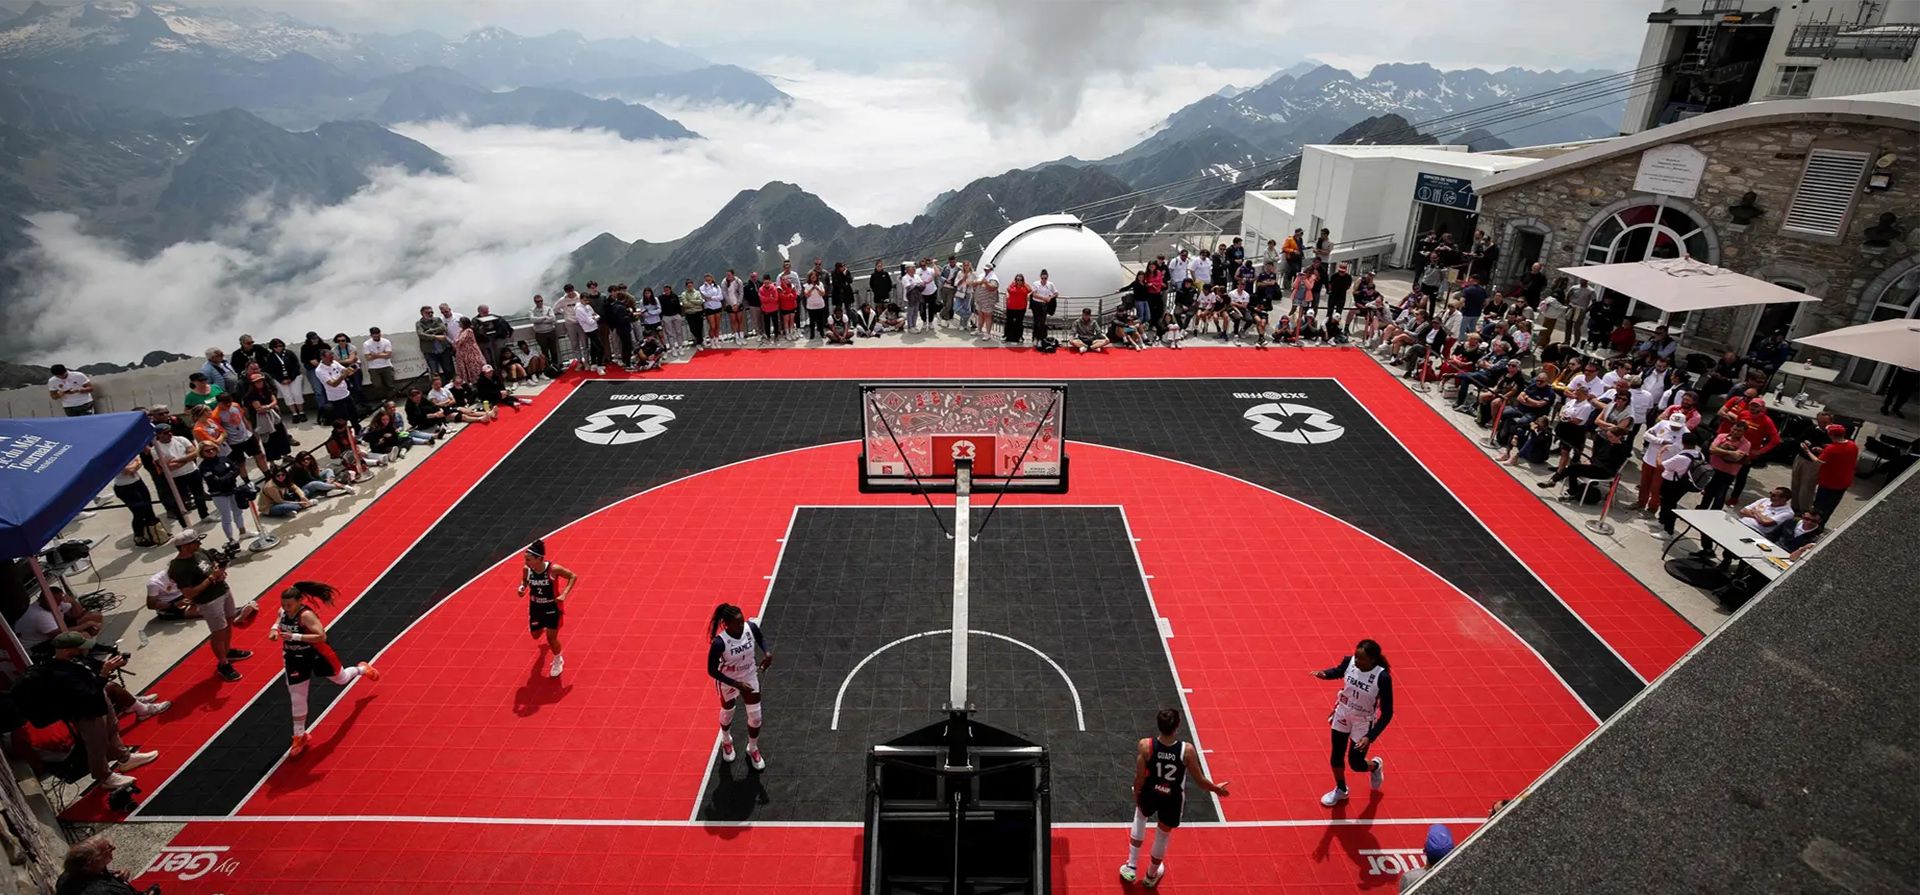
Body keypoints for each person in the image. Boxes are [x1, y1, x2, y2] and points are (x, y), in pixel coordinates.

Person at [1118, 707, 1230, 887]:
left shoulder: (1146, 745)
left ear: (1158, 725)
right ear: (1177, 726)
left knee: (1140, 817)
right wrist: (1217, 789)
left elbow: (1139, 777)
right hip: (1172, 798)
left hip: (1150, 791)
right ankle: (1151, 876)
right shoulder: (1187, 751)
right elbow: (1200, 781)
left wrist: (1136, 791)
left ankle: (1131, 866)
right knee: (1162, 835)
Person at [268, 582, 381, 757]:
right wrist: (274, 629)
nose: (286, 608)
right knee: (297, 697)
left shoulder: (306, 616)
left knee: (341, 679)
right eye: (283, 604)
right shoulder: (283, 611)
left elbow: (321, 636)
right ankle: (299, 736)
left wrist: (295, 636)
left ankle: (361, 669)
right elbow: (278, 620)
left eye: (289, 605)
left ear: (299, 602)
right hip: (294, 659)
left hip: (317, 655)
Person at [42, 633, 159, 791]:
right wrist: (104, 673)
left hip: (99, 701)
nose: (85, 650)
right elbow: (87, 693)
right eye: (80, 647)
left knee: (112, 730)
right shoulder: (58, 672)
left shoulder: (76, 659)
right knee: (97, 744)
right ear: (67, 650)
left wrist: (113, 664)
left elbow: (94, 668)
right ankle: (105, 777)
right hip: (86, 711)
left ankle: (125, 759)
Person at [1311, 639, 1393, 808]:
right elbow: (1339, 671)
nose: (1356, 661)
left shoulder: (1382, 677)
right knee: (1336, 754)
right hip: (1343, 713)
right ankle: (1341, 789)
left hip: (1363, 722)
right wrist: (1325, 674)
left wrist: (1370, 737)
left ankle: (1375, 766)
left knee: (1356, 763)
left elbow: (1387, 713)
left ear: (1372, 659)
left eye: (1361, 658)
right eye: (1356, 656)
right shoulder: (1350, 662)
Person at [168, 530, 255, 681]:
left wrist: (220, 572)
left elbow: (212, 563)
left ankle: (227, 651)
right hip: (208, 601)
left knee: (229, 621)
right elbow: (189, 593)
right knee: (218, 632)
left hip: (223, 591)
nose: (199, 544)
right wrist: (211, 578)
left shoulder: (200, 552)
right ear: (185, 546)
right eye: (195, 542)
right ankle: (223, 664)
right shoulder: (179, 568)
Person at [707, 602, 773, 770]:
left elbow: (760, 638)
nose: (741, 624)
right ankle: (726, 739)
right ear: (727, 624)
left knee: (756, 716)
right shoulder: (719, 643)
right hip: (728, 679)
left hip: (749, 675)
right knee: (728, 710)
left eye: (742, 620)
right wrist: (736, 684)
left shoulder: (750, 627)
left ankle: (752, 748)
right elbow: (711, 670)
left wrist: (767, 653)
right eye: (737, 622)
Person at [520, 540, 577, 678]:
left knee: (551, 638)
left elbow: (572, 576)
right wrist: (522, 587)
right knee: (535, 635)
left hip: (552, 607)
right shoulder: (527, 569)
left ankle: (558, 659)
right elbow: (525, 580)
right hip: (536, 607)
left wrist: (564, 594)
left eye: (529, 559)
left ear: (539, 558)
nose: (526, 562)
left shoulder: (553, 569)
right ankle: (543, 628)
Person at [57, 836, 148, 895]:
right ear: (92, 861)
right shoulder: (102, 891)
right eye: (109, 848)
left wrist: (114, 876)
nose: (113, 848)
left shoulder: (71, 874)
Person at [1813, 424, 1858, 522]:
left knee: (1820, 506)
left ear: (1831, 435)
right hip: (1843, 482)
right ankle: (1821, 524)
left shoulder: (1831, 448)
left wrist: (1807, 451)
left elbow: (1818, 461)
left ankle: (1814, 525)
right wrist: (1824, 451)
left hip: (1829, 482)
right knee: (1831, 506)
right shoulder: (1852, 445)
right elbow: (1838, 456)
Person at [1029, 270, 1059, 345]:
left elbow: (1056, 293)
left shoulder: (1050, 284)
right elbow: (1034, 294)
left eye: (1045, 278)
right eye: (1042, 278)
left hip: (1044, 305)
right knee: (1036, 321)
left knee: (1042, 322)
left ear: (1047, 278)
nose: (1044, 280)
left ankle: (1041, 338)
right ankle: (1035, 337)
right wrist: (1043, 298)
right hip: (1036, 304)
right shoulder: (1035, 284)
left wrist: (1050, 297)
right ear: (1040, 277)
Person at [1003, 273, 1030, 343]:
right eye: (1017, 280)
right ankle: (1007, 336)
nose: (1019, 281)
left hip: (1021, 308)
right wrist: (1007, 294)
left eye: (1020, 280)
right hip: (1011, 307)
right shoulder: (1012, 284)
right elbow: (1007, 290)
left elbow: (1031, 291)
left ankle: (1019, 336)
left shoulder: (1025, 285)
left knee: (1019, 323)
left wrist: (1028, 295)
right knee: (1009, 322)